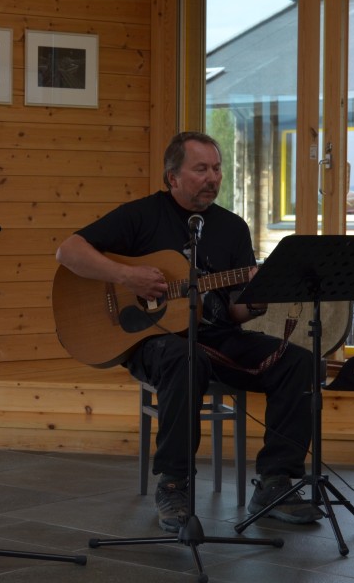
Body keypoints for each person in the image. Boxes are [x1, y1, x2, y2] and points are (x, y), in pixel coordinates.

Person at [55, 131, 321, 532]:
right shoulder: (141, 216)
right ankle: (174, 484)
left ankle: (275, 481)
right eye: (200, 169)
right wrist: (127, 276)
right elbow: (68, 251)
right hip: (153, 342)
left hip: (215, 338)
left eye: (216, 169)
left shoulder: (232, 228)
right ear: (172, 176)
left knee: (298, 361)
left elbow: (232, 313)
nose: (212, 178)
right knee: (184, 356)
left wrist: (260, 298)